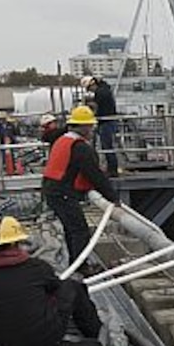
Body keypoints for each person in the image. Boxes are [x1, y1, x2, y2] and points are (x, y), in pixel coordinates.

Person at [0, 216, 102, 346]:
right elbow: (56, 289)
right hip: (45, 342)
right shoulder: (36, 267)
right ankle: (96, 333)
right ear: (17, 242)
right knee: (73, 287)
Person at [41, 105, 119, 267]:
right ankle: (80, 266)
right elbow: (95, 174)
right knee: (80, 230)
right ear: (83, 127)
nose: (92, 130)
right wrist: (113, 197)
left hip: (53, 188)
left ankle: (76, 263)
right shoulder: (80, 147)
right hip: (61, 191)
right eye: (90, 126)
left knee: (71, 228)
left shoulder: (63, 140)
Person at [83, 75, 119, 176]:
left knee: (107, 146)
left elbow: (99, 108)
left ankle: (112, 170)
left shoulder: (100, 93)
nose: (91, 91)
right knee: (106, 146)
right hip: (108, 121)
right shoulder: (105, 89)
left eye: (90, 88)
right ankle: (111, 169)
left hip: (106, 122)